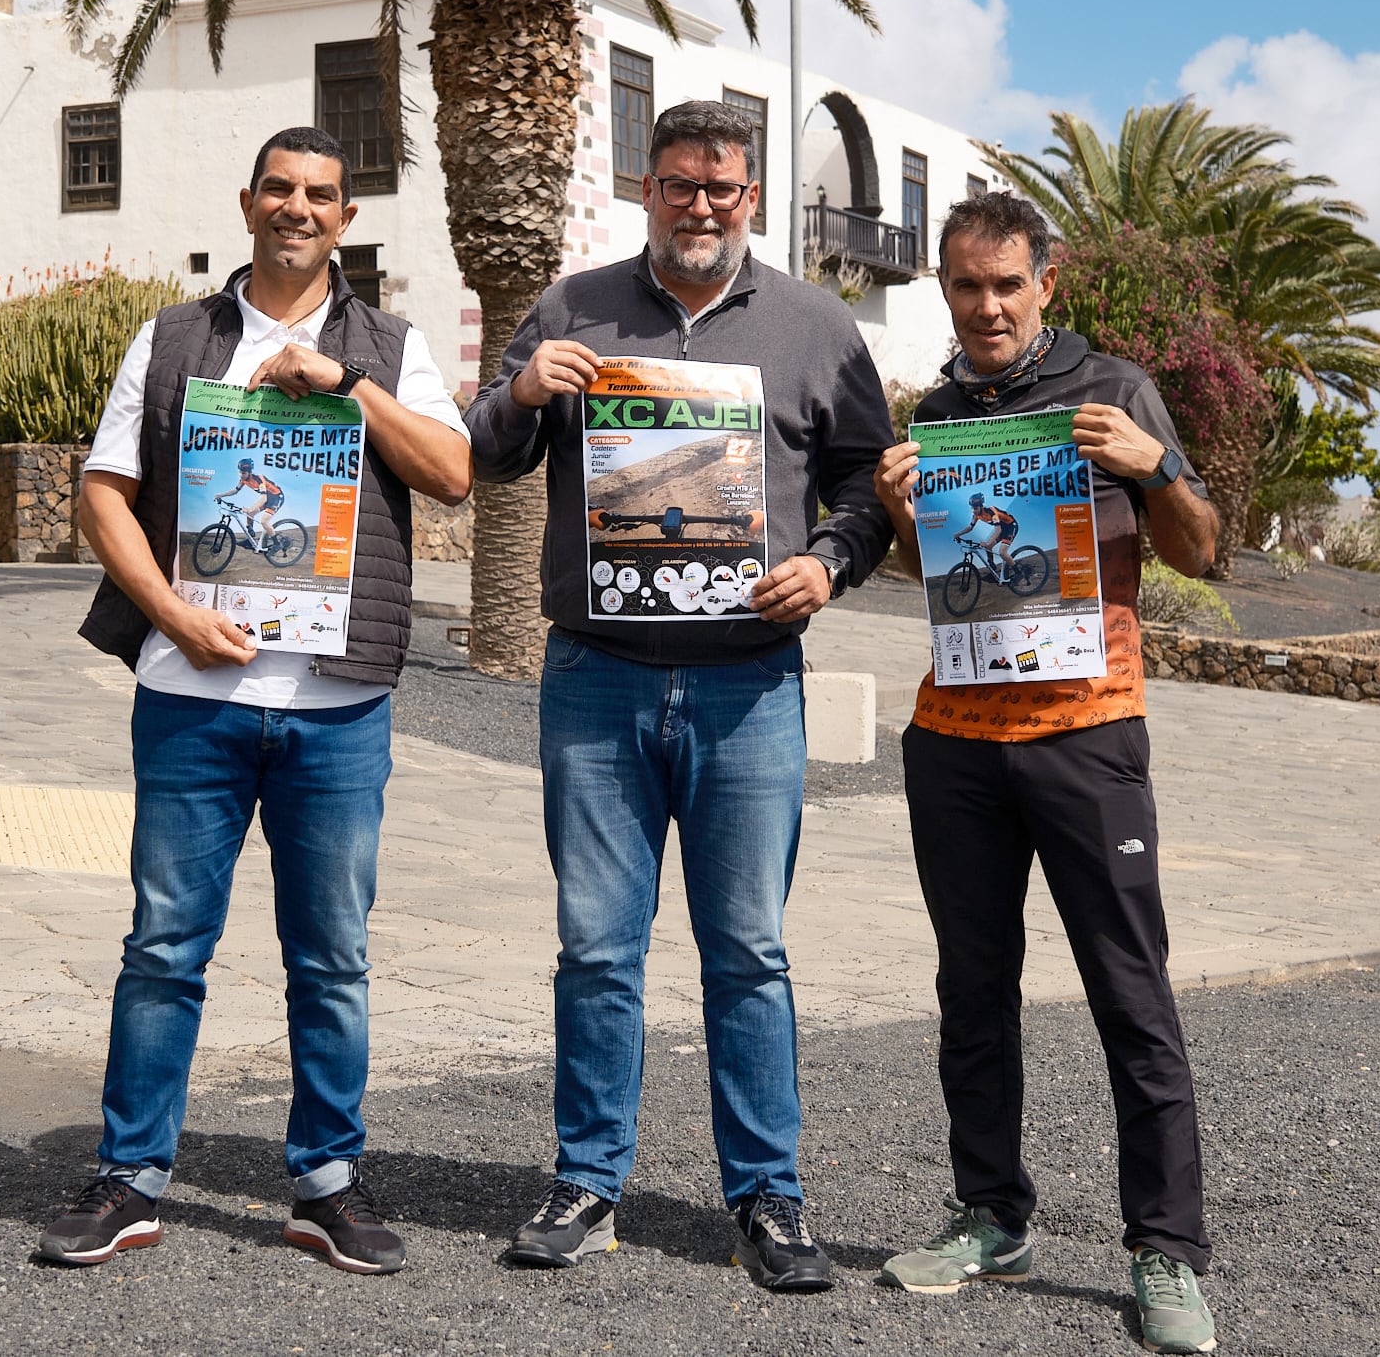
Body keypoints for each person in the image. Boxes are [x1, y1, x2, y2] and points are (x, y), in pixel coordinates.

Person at [465, 98, 894, 1293]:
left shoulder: (817, 327)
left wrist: (833, 563)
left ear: (751, 197)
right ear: (640, 187)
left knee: (747, 952)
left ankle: (769, 1197)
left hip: (749, 688)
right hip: (594, 683)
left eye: (723, 188)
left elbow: (867, 481)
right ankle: (586, 1180)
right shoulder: (570, 308)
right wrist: (522, 394)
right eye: (678, 185)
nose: (700, 206)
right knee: (596, 949)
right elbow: (484, 458)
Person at [34, 126, 473, 1276]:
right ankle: (132, 1174)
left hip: (338, 704)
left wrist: (347, 386)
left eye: (321, 194)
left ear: (347, 214)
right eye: (279, 189)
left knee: (330, 954)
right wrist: (175, 618)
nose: (299, 209)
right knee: (165, 943)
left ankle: (324, 1181)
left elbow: (451, 471)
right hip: (192, 695)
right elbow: (103, 493)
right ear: (247, 202)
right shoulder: (176, 337)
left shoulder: (391, 343)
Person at [869, 189, 1223, 1352]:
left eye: (1005, 285)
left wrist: (1156, 461)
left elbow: (1200, 549)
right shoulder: (940, 408)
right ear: (944, 288)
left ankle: (1165, 1252)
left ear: (1046, 283)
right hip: (957, 745)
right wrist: (900, 513)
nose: (986, 307)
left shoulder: (1113, 390)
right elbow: (931, 570)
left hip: (1087, 734)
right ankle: (990, 1216)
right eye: (965, 286)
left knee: (1131, 995)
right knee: (972, 993)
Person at [218, 456, 286, 540]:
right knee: (250, 515)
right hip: (268, 498)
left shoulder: (259, 479)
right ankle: (250, 539)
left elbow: (263, 499)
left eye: (243, 473)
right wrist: (220, 495)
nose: (241, 475)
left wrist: (251, 509)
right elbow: (235, 490)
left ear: (249, 472)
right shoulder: (243, 480)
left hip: (276, 497)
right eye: (239, 472)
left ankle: (276, 544)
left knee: (264, 521)